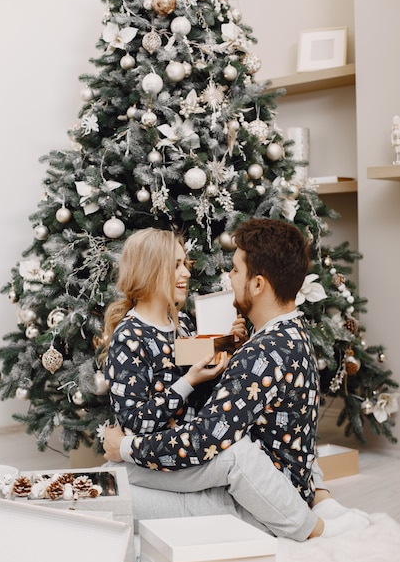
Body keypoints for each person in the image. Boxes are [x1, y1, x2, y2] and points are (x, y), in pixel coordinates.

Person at [101, 222, 369, 540]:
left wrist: (125, 447)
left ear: (257, 285)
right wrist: (222, 350)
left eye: (235, 270)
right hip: (194, 458)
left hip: (240, 485)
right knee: (117, 476)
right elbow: (184, 371)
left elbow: (204, 438)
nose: (228, 277)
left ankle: (315, 525)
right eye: (176, 265)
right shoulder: (289, 333)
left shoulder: (256, 350)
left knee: (116, 481)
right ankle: (318, 504)